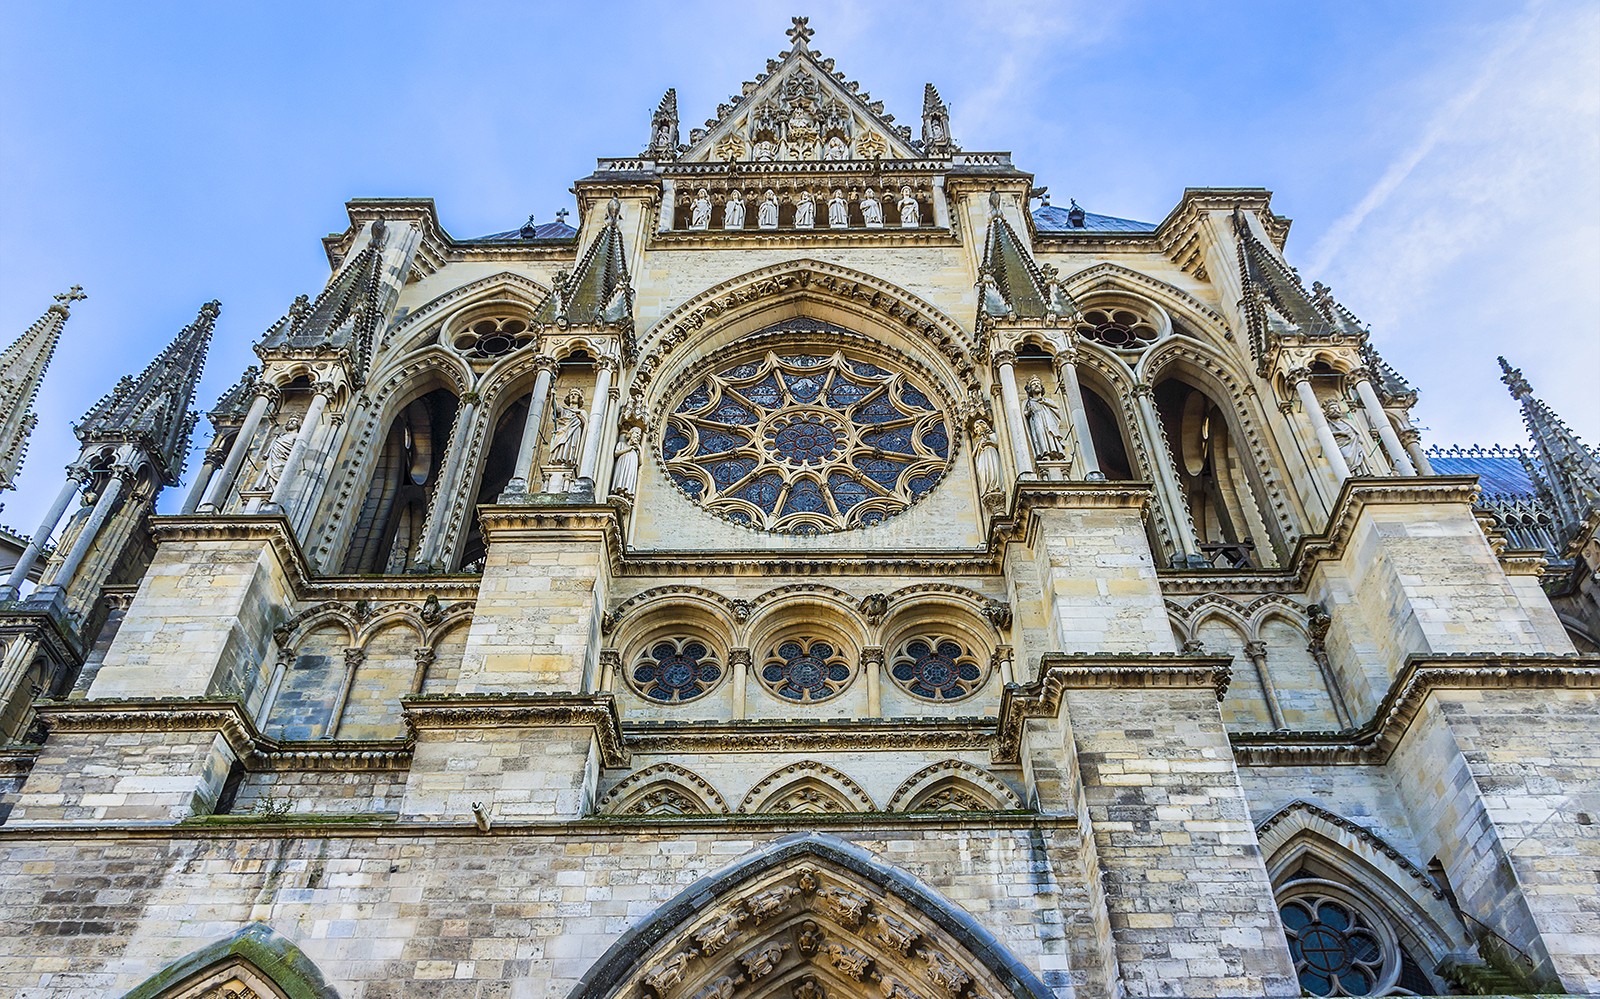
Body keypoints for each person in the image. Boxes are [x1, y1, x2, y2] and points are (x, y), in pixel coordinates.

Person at [1322, 398, 1374, 475]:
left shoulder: (1346, 422)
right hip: (1342, 444)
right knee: (1346, 457)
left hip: (1354, 443)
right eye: (1332, 409)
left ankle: (1361, 473)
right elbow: (1326, 435)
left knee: (1359, 457)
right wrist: (1341, 433)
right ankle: (1352, 474)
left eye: (1336, 408)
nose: (1335, 410)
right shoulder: (1327, 424)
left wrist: (1359, 437)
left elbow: (1355, 431)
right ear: (1327, 412)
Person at [1023, 376, 1067, 460]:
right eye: (1033, 384)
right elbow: (1025, 413)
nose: (1036, 385)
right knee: (1040, 434)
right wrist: (1028, 411)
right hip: (1037, 419)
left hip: (1048, 419)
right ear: (1030, 389)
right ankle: (1044, 453)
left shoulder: (1047, 400)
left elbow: (1056, 408)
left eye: (1038, 384)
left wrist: (1045, 402)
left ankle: (1055, 453)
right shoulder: (1029, 402)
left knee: (1050, 435)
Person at [255, 417, 301, 489]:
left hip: (283, 459)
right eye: (289, 421)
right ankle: (267, 488)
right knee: (269, 472)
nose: (291, 422)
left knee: (278, 471)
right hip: (273, 458)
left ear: (298, 424)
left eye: (294, 421)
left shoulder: (298, 436)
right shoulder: (281, 436)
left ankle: (274, 491)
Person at [548, 389, 586, 467]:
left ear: (579, 398)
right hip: (563, 432)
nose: (573, 396)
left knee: (571, 445)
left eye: (576, 394)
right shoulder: (564, 411)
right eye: (571, 394)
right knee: (561, 445)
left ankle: (568, 461)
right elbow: (555, 407)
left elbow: (585, 425)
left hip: (574, 433)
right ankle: (557, 460)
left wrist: (579, 417)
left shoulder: (582, 412)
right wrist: (553, 395)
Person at [971, 418, 1003, 499]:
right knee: (983, 471)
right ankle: (987, 488)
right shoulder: (979, 441)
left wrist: (988, 442)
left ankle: (994, 486)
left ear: (984, 426)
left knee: (992, 469)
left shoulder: (991, 435)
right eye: (975, 428)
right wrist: (979, 445)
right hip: (983, 456)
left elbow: (996, 442)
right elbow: (973, 454)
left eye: (977, 427)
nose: (976, 430)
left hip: (990, 453)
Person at [611, 425, 643, 497]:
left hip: (631, 467)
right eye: (636, 434)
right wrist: (628, 449)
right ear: (630, 434)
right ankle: (619, 491)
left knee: (629, 476)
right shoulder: (621, 444)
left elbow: (640, 463)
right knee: (622, 475)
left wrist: (640, 450)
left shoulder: (636, 451)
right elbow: (616, 453)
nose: (638, 436)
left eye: (639, 436)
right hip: (623, 464)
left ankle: (627, 493)